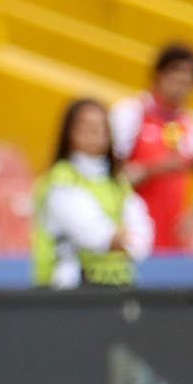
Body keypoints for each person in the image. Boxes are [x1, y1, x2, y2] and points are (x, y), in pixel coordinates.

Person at [109, 42, 193, 251]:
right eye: (175, 78)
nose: (181, 87)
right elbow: (109, 177)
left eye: (188, 82)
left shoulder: (192, 124)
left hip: (173, 241)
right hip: (129, 235)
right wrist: (154, 169)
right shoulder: (130, 113)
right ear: (158, 75)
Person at [32, 98, 153, 289]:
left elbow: (141, 233)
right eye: (86, 126)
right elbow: (92, 234)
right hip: (66, 291)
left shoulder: (116, 182)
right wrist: (118, 239)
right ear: (69, 132)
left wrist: (129, 242)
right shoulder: (61, 180)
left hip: (117, 284)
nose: (95, 132)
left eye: (102, 126)